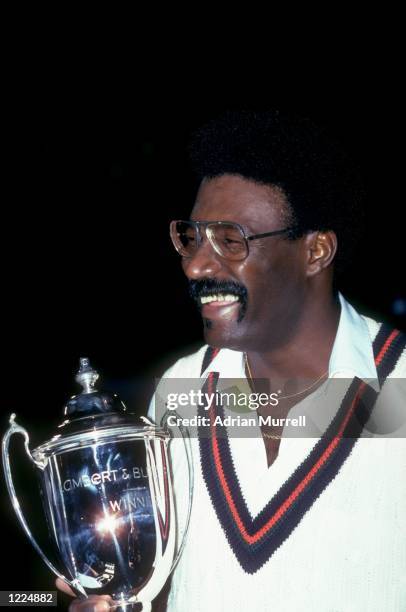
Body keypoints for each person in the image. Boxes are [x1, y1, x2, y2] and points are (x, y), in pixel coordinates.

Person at [58, 111, 406, 611]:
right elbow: (161, 582)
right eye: (193, 237)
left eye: (230, 239)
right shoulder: (178, 392)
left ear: (316, 252)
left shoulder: (398, 385)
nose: (197, 264)